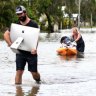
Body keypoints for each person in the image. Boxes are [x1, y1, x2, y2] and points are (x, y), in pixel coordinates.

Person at [4, 5, 41, 84]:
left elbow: (36, 39)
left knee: (34, 73)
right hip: (20, 52)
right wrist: (10, 44)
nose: (19, 16)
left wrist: (35, 48)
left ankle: (38, 81)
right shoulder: (16, 25)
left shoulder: (33, 24)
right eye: (18, 14)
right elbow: (6, 34)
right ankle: (18, 91)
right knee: (19, 71)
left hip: (31, 52)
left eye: (21, 14)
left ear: (25, 12)